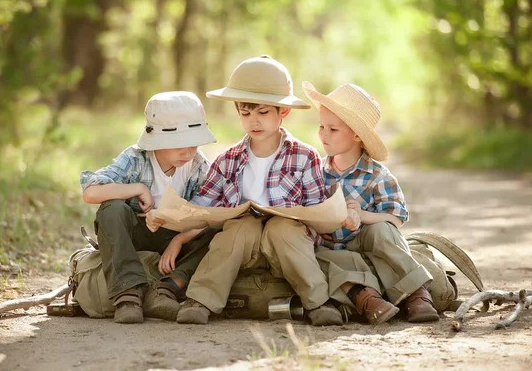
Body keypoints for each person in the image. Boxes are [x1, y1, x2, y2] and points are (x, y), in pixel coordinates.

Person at [164, 55, 344, 326]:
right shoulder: (228, 160)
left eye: (262, 113)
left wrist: (309, 218)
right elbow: (201, 209)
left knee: (282, 228)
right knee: (238, 228)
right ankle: (200, 300)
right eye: (245, 113)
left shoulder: (305, 156)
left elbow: (319, 211)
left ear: (283, 112)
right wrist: (178, 233)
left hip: (287, 243)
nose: (253, 122)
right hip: (243, 247)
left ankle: (318, 302)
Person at [302, 81, 440, 324]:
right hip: (335, 249)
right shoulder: (315, 171)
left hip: (368, 245)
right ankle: (369, 298)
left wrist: (364, 215)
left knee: (382, 231)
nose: (323, 134)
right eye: (321, 126)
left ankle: (417, 293)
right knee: (319, 256)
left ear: (357, 135)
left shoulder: (377, 175)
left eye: (333, 129)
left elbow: (395, 220)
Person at [79, 91, 218, 324]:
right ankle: (128, 295)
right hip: (137, 235)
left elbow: (211, 212)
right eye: (178, 144)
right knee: (111, 208)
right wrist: (137, 189)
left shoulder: (198, 166)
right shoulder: (136, 159)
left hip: (175, 239)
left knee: (217, 228)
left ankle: (169, 289)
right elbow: (91, 192)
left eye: (193, 143)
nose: (187, 152)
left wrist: (180, 239)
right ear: (158, 141)